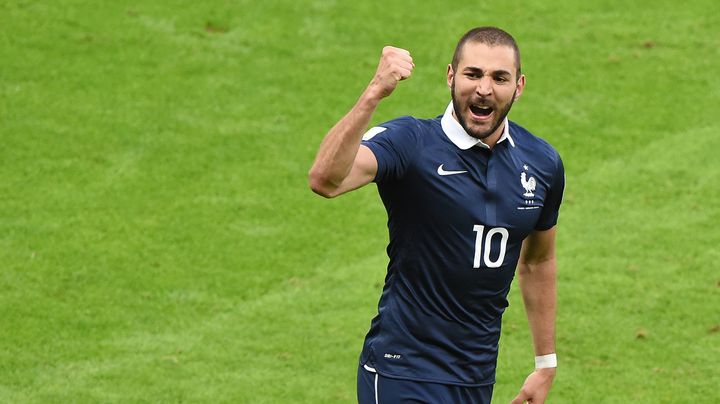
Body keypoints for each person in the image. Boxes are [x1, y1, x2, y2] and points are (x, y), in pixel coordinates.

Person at [308, 26, 564, 404]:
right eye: (473, 74)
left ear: (519, 86)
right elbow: (325, 179)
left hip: (474, 379)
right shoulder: (410, 143)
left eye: (499, 78)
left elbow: (538, 261)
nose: (484, 89)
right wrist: (374, 92)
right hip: (401, 371)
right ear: (451, 76)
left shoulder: (541, 163)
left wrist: (545, 364)